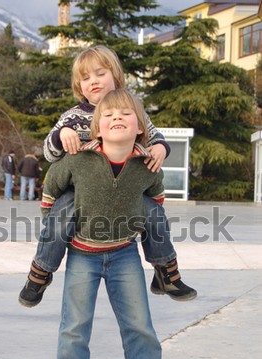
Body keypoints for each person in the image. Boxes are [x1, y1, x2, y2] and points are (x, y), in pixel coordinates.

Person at [18, 45, 196, 308]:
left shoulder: (132, 109)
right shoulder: (73, 117)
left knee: (154, 213)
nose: (93, 81)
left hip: (124, 186)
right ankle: (41, 271)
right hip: (82, 190)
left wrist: (160, 146)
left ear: (116, 75)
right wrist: (61, 135)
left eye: (100, 74)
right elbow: (49, 153)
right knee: (63, 210)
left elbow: (153, 134)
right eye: (86, 78)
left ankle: (165, 271)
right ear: (80, 86)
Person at [42, 88, 177, 359]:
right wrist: (56, 222)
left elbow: (154, 202)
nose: (117, 117)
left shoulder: (145, 164)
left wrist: (160, 147)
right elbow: (53, 186)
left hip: (124, 253)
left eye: (126, 114)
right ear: (97, 128)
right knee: (74, 326)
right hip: (82, 254)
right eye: (109, 114)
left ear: (141, 127)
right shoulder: (81, 157)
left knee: (140, 324)